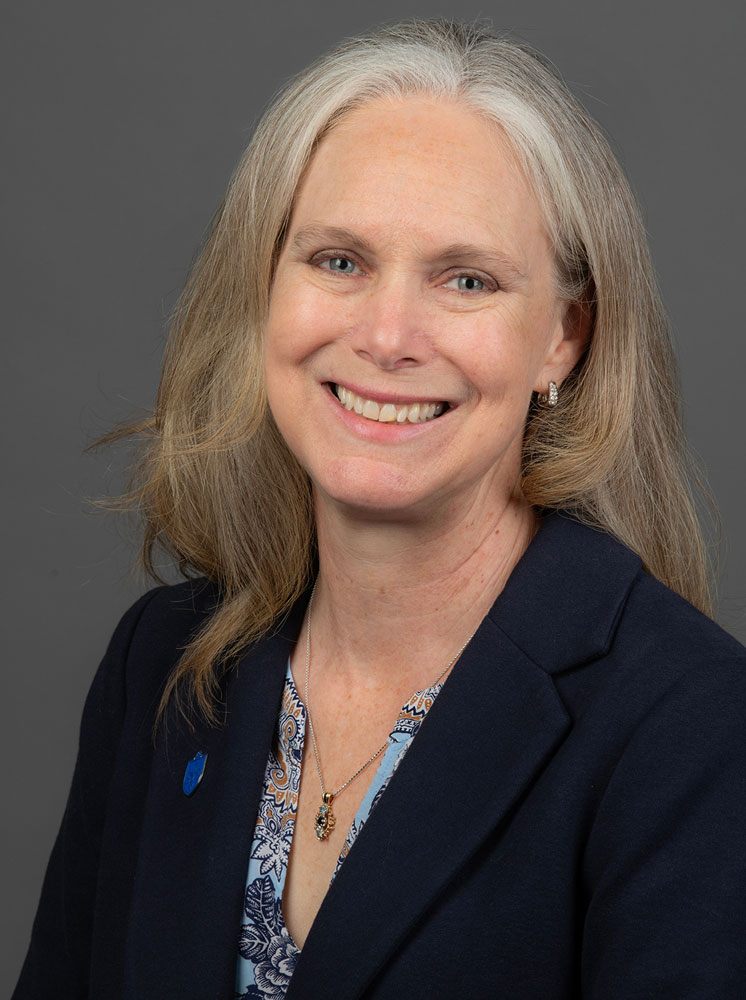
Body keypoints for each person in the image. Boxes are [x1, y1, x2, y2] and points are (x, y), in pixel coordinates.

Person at [13, 18, 746, 1000]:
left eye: (467, 278)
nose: (388, 334)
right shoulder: (161, 669)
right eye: (339, 261)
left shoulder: (691, 729)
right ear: (266, 290)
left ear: (561, 341)